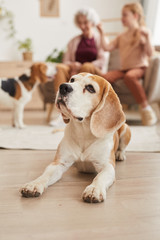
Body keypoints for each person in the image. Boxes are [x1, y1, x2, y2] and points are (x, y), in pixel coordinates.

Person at [97, 2, 157, 126]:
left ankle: (146, 108)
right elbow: (106, 47)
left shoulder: (143, 32)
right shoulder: (121, 36)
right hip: (124, 69)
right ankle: (107, 110)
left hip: (139, 67)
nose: (122, 18)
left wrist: (147, 39)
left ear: (135, 16)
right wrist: (101, 32)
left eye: (125, 15)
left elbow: (150, 53)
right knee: (104, 78)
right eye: (121, 15)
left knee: (130, 76)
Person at [47, 7, 109, 124]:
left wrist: (83, 66)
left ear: (92, 22)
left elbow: (102, 60)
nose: (82, 26)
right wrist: (73, 64)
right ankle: (61, 110)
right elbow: (65, 61)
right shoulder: (74, 41)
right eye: (80, 23)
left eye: (85, 22)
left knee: (86, 67)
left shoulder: (100, 39)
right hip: (75, 71)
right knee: (60, 68)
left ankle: (77, 109)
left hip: (93, 72)